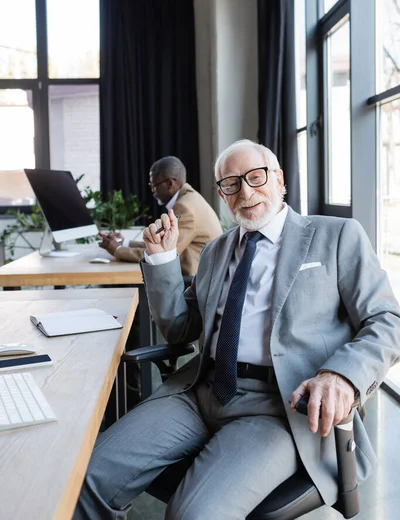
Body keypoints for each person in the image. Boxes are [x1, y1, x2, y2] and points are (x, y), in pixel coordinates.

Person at [74, 139, 400, 520]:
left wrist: (341, 376)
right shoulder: (216, 251)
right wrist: (161, 260)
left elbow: (387, 320)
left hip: (279, 407)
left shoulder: (336, 236)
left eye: (256, 177)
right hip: (200, 393)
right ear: (222, 195)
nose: (245, 192)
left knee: (194, 515)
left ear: (279, 180)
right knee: (87, 477)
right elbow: (181, 328)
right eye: (231, 184)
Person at [98, 155, 222, 276]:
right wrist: (124, 243)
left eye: (154, 185)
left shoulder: (185, 208)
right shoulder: (190, 199)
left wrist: (117, 250)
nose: (152, 191)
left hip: (195, 283)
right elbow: (161, 244)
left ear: (169, 183)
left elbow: (161, 253)